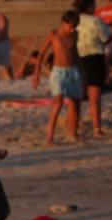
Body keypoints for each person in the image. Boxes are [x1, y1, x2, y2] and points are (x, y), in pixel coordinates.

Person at [33, 12, 82, 144]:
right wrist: (36, 74)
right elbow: (42, 53)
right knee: (58, 102)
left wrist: (81, 72)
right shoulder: (54, 34)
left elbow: (75, 54)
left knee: (75, 103)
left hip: (73, 71)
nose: (72, 30)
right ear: (63, 23)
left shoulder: (75, 35)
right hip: (58, 72)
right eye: (70, 26)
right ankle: (50, 136)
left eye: (74, 27)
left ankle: (73, 133)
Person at [74, 0, 111, 138]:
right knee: (94, 97)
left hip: (77, 58)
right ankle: (96, 128)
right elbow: (106, 38)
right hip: (94, 58)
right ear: (90, 7)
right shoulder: (96, 21)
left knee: (76, 96)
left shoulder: (74, 19)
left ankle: (74, 126)